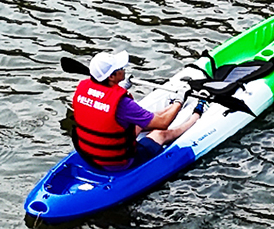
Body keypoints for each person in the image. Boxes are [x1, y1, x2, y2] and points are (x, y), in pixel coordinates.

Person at [70, 50, 200, 172]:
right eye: (120, 69)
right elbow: (163, 123)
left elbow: (100, 107)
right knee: (160, 133)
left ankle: (170, 108)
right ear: (111, 76)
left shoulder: (82, 88)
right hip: (117, 163)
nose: (123, 69)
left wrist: (121, 86)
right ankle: (195, 117)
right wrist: (180, 100)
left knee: (138, 122)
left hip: (89, 156)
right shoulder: (123, 104)